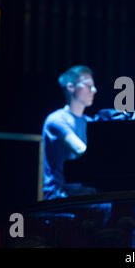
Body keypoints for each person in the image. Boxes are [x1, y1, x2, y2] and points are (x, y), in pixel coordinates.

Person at [42, 65, 99, 200]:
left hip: (84, 195)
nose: (94, 90)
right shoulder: (56, 120)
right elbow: (81, 150)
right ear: (71, 87)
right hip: (60, 197)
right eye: (88, 85)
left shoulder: (89, 121)